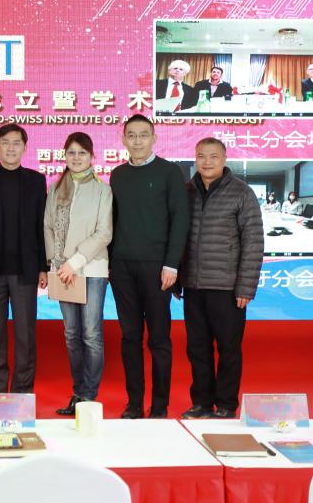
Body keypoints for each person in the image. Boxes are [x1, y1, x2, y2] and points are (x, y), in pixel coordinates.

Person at [109, 114, 189, 419]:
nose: (137, 140)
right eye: (131, 135)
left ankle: (159, 406)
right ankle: (134, 404)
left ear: (154, 138)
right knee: (130, 337)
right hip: (122, 268)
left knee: (158, 339)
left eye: (144, 135)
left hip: (158, 269)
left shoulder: (170, 172)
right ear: (124, 139)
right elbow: (112, 221)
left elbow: (179, 220)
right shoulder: (117, 175)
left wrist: (172, 264)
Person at [180, 138, 264, 419]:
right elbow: (178, 237)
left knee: (228, 349)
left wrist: (245, 287)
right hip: (193, 285)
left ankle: (226, 405)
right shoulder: (186, 192)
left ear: (224, 159)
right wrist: (178, 278)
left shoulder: (241, 192)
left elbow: (253, 242)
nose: (207, 162)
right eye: (201, 156)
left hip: (227, 288)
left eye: (213, 156)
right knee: (197, 348)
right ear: (195, 158)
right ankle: (201, 403)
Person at [0, 124, 48, 394]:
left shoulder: (36, 181)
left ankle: (22, 391)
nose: (11, 147)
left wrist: (43, 267)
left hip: (26, 271)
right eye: (5, 142)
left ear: (25, 147)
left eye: (17, 143)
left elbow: (41, 227)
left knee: (25, 335)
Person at [43, 132, 113, 416]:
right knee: (72, 335)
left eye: (82, 152)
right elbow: (48, 227)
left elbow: (104, 233)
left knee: (91, 334)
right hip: (63, 272)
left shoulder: (102, 190)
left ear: (91, 156)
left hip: (91, 270)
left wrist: (75, 262)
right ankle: (77, 391)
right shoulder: (56, 188)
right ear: (65, 156)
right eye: (71, 152)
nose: (76, 157)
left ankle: (88, 396)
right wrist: (56, 263)